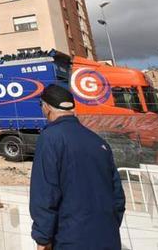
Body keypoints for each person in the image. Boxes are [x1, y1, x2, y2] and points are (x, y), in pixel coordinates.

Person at [30, 84, 125, 250]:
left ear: (46, 107)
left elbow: (45, 193)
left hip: (70, 239)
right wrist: (109, 226)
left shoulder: (50, 138)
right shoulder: (98, 142)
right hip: (108, 237)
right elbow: (118, 195)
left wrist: (43, 238)